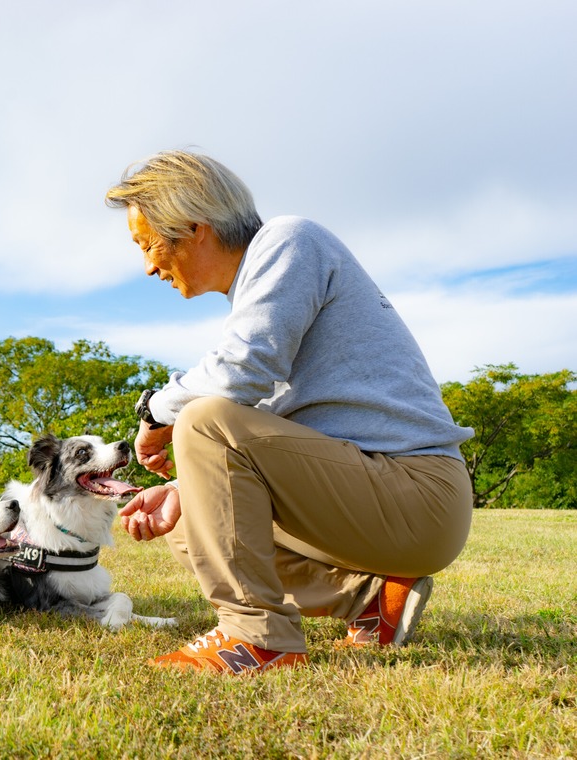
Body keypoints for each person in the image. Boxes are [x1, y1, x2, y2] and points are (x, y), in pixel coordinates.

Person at [106, 150, 474, 674]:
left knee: (204, 421)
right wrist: (192, 490)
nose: (148, 265)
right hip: (375, 496)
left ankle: (255, 638)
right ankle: (371, 601)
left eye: (148, 244)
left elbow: (239, 374)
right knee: (187, 514)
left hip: (418, 493)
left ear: (194, 227)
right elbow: (275, 425)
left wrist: (156, 410)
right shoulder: (262, 292)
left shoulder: (288, 240)